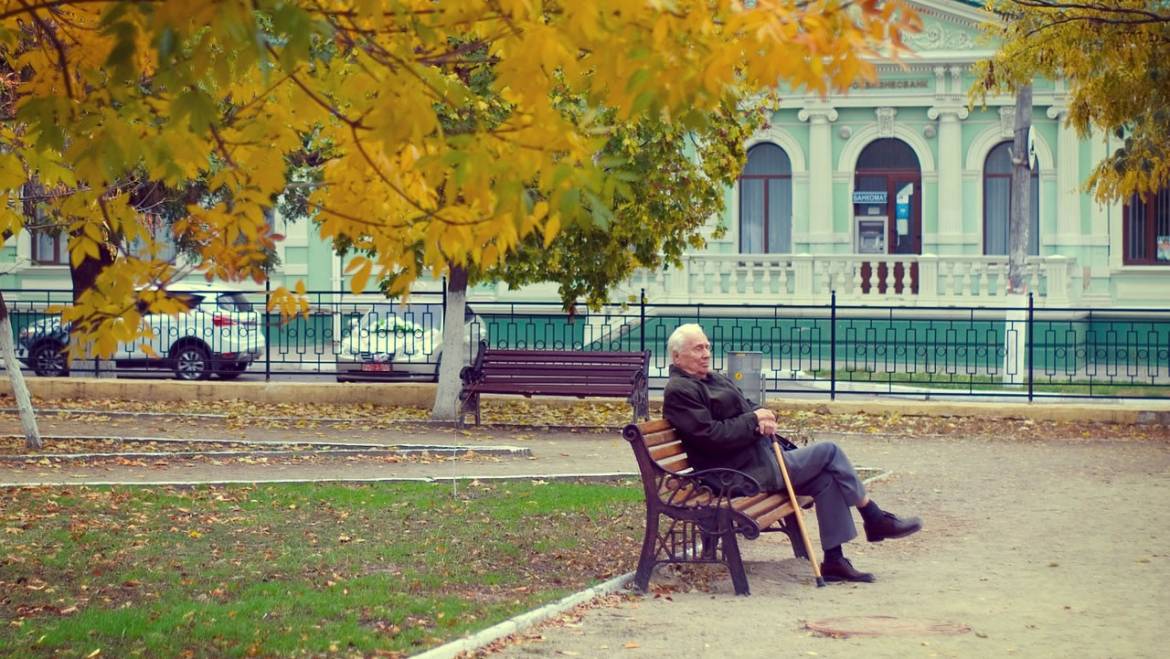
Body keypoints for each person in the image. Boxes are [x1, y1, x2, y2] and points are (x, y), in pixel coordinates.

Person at [662, 323, 922, 583]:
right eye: (698, 349)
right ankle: (874, 517)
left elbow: (749, 407)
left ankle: (834, 561)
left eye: (707, 346)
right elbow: (711, 436)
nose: (706, 353)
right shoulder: (680, 391)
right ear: (676, 356)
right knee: (829, 452)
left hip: (756, 460)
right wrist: (754, 420)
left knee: (826, 480)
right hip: (735, 473)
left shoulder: (713, 378)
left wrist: (765, 417)